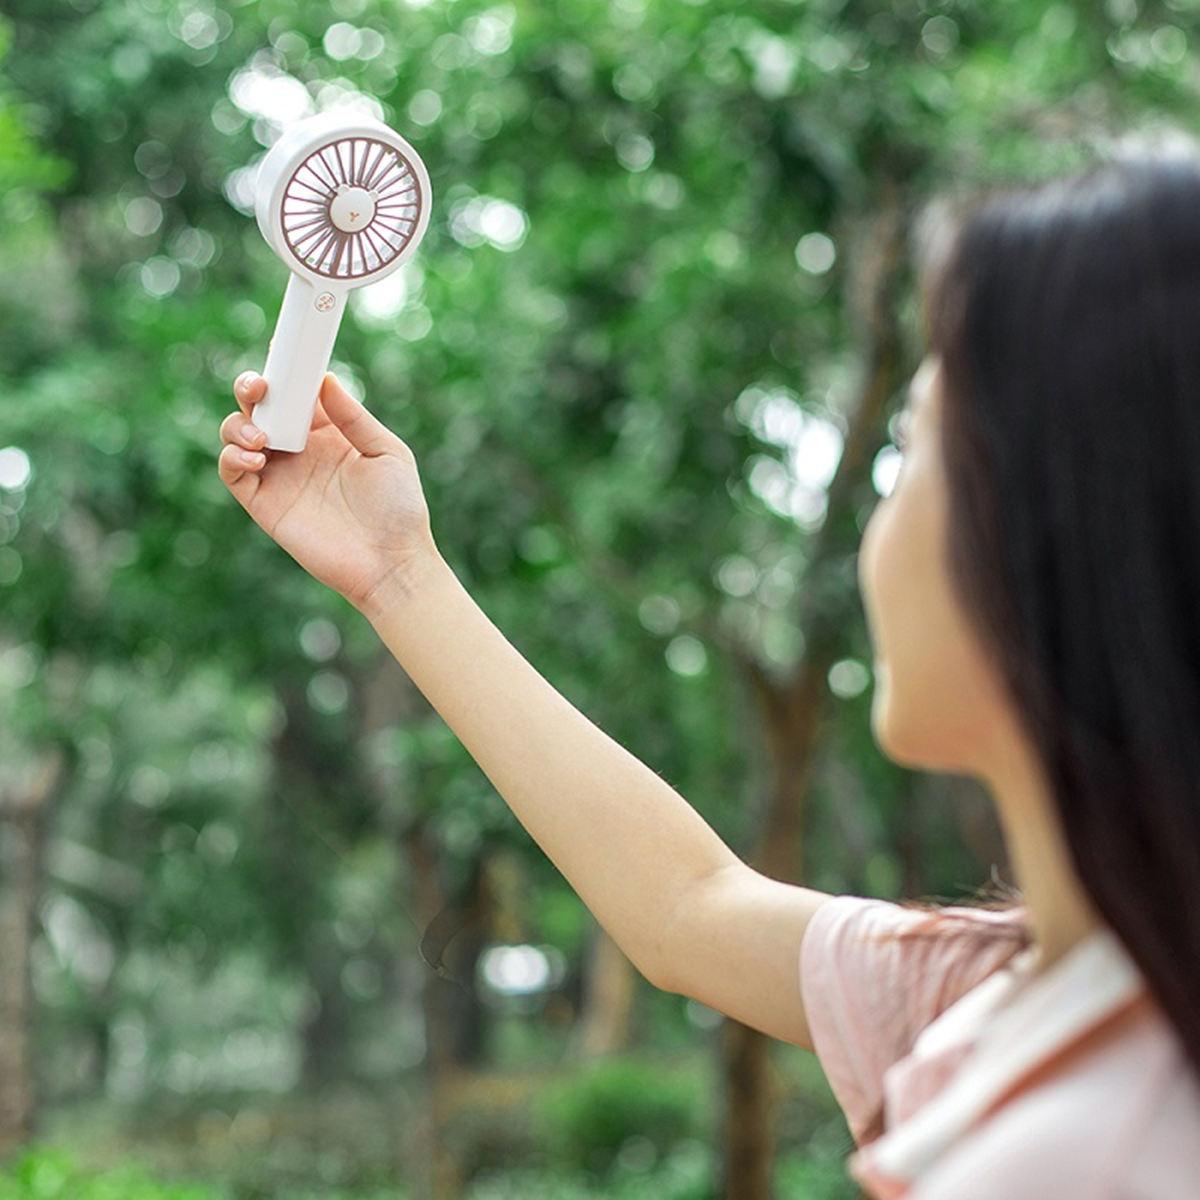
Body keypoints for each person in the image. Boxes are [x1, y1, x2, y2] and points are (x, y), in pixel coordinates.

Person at [218, 148, 1200, 1197]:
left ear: (1058, 528)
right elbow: (689, 910)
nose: (879, 513)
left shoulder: (1090, 1150)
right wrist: (398, 576)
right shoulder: (1036, 988)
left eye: (913, 443)